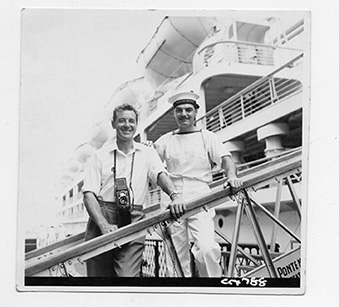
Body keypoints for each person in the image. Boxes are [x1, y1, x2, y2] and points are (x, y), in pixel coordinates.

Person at [82, 103, 185, 277]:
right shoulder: (98, 156)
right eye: (121, 121)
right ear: (113, 124)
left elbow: (160, 174)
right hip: (103, 217)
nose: (127, 125)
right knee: (98, 277)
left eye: (131, 121)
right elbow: (88, 194)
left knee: (127, 276)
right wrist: (103, 225)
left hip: (134, 217)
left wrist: (175, 195)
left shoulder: (147, 153)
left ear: (136, 124)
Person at [154, 91, 243, 277]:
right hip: (172, 198)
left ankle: (211, 291)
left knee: (206, 248)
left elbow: (225, 158)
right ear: (174, 114)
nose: (184, 114)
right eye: (179, 110)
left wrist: (232, 176)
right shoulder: (165, 140)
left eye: (188, 110)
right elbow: (153, 166)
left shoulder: (207, 136)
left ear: (196, 112)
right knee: (176, 257)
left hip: (200, 194)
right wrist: (147, 149)